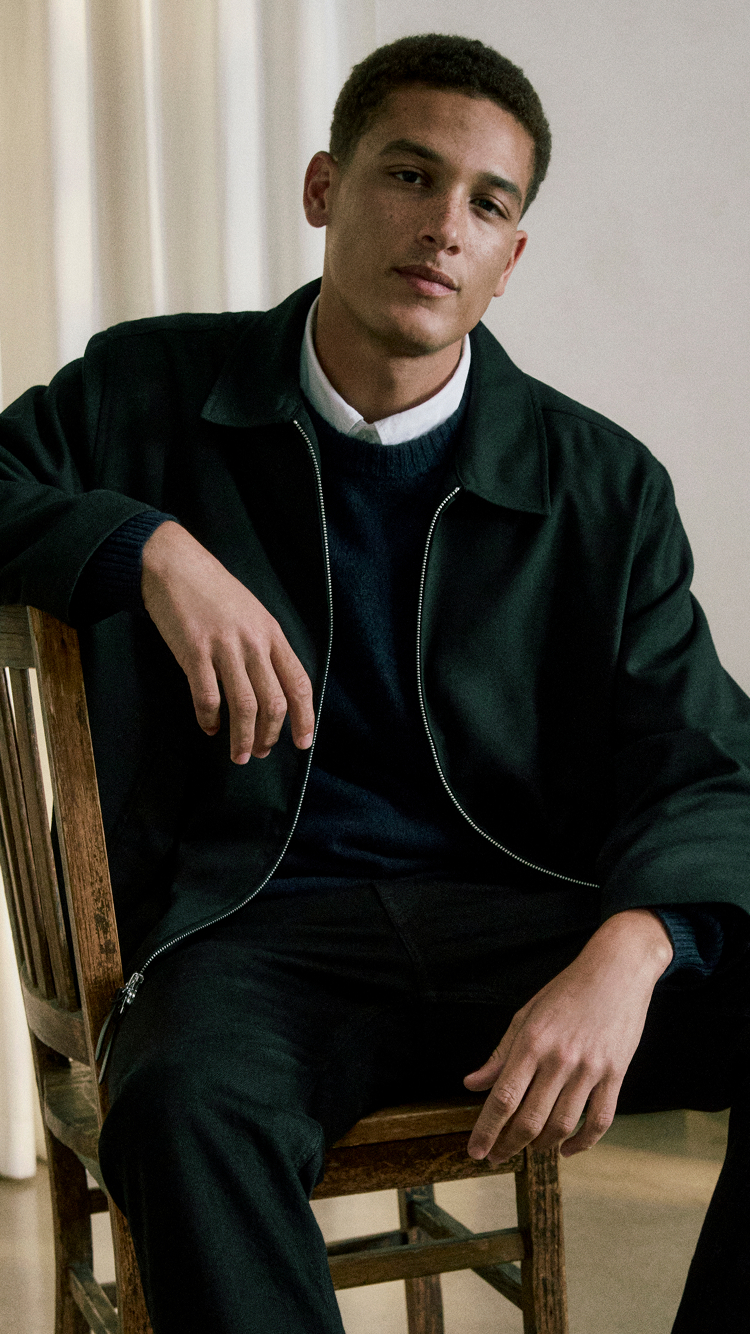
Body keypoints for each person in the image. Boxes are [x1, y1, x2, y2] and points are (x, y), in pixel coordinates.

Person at [1, 31, 749, 1334]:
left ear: (512, 255)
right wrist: (148, 549)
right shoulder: (144, 391)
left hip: (524, 925)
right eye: (408, 175)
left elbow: (705, 762)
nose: (444, 225)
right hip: (250, 937)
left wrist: (633, 949)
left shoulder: (602, 484)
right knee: (182, 1107)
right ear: (323, 188)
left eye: (487, 204)